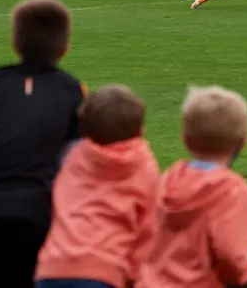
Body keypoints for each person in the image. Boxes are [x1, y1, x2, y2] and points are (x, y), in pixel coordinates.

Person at [0, 0, 85, 288]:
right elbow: (72, 161)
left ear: (15, 43)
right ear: (65, 47)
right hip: (36, 215)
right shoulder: (72, 89)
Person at [35, 85, 159, 288]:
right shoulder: (142, 165)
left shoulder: (74, 158)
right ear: (140, 130)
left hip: (53, 267)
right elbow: (148, 230)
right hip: (104, 270)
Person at [137, 86, 247, 288]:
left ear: (184, 139)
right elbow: (230, 254)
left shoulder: (168, 179)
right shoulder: (231, 190)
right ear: (243, 142)